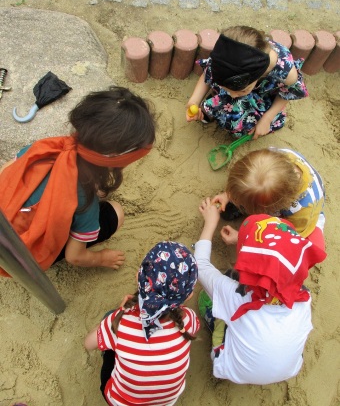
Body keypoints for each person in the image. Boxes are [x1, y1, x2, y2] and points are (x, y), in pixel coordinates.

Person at [0, 86, 156, 276]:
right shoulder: (84, 197)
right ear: (115, 157)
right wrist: (101, 258)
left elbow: (7, 169)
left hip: (6, 228)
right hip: (18, 260)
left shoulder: (45, 148)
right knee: (116, 212)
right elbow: (75, 257)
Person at [195, 198, 327, 384]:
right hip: (289, 369)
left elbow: (200, 265)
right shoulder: (303, 299)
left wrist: (210, 223)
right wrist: (241, 238)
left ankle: (214, 323)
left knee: (227, 283)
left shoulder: (237, 297)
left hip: (233, 369)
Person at [84, 241, 200, 406]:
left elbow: (88, 344)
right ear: (188, 295)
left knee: (109, 318)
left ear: (138, 276)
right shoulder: (188, 320)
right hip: (165, 402)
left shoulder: (122, 323)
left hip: (119, 401)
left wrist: (121, 312)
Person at [186, 26, 308, 139]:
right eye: (227, 89)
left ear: (259, 75)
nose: (232, 95)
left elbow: (286, 94)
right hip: (243, 82)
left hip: (263, 94)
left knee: (240, 120)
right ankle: (226, 95)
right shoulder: (226, 56)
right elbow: (207, 74)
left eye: (242, 90)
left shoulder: (286, 73)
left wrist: (267, 118)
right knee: (231, 96)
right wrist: (194, 101)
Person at [212, 147, 326, 250]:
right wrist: (228, 194)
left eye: (243, 204)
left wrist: (241, 238)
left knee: (310, 248)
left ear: (272, 208)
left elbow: (285, 239)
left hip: (303, 218)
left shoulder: (302, 211)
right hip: (278, 197)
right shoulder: (272, 156)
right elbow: (252, 180)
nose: (236, 201)